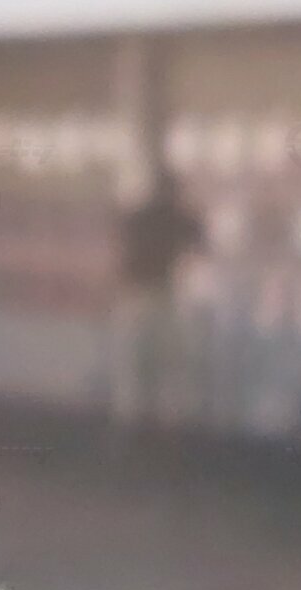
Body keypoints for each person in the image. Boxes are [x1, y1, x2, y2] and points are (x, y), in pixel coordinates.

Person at [117, 168, 205, 426]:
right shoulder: (164, 216)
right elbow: (200, 239)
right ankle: (147, 421)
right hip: (151, 293)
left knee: (145, 362)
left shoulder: (144, 215)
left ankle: (139, 421)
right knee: (157, 360)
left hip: (148, 293)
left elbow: (199, 238)